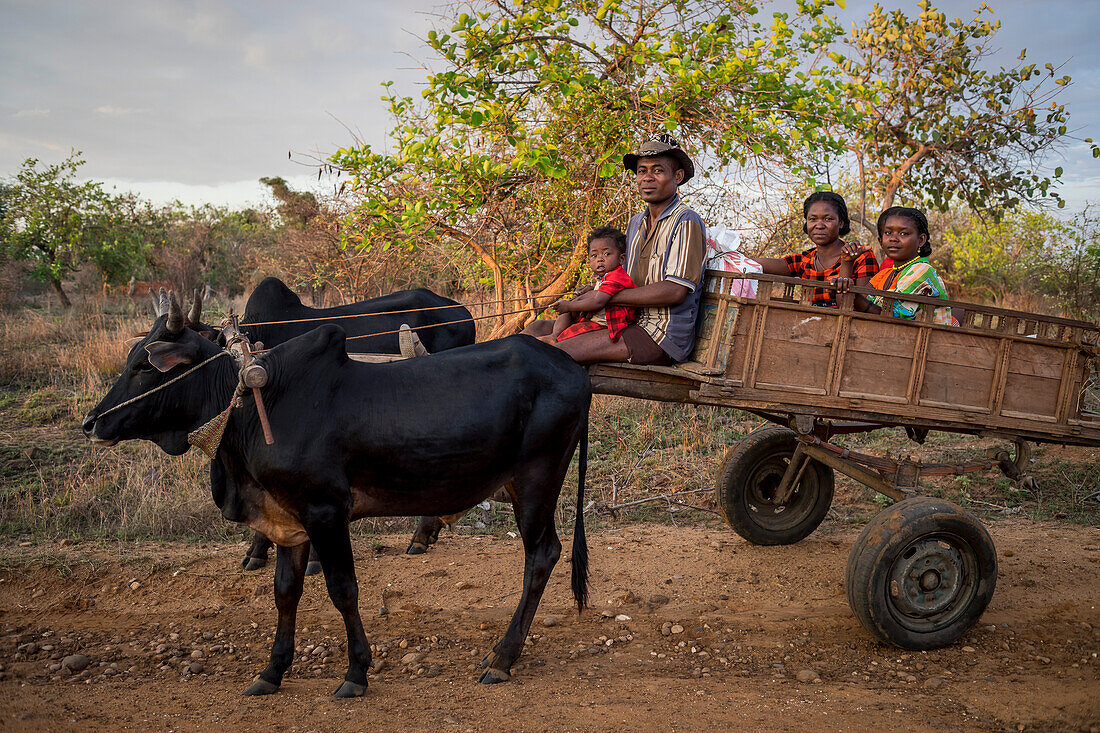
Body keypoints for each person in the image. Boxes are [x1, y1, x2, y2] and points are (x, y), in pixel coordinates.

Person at [527, 133, 706, 365]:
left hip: (660, 335)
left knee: (554, 352)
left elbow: (675, 291)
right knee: (537, 328)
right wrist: (595, 289)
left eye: (658, 171)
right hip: (627, 321)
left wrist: (604, 298)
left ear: (678, 176)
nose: (647, 178)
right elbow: (627, 278)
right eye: (642, 171)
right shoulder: (636, 223)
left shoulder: (686, 221)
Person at [835, 206, 958, 326]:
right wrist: (847, 262)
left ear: (921, 240)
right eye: (888, 233)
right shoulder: (884, 274)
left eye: (904, 233)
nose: (893, 238)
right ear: (880, 241)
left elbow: (891, 318)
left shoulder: (921, 271)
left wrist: (853, 295)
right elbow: (846, 307)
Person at [755, 192, 878, 307]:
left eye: (828, 219)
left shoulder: (860, 256)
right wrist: (737, 258)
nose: (819, 226)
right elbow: (759, 264)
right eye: (813, 219)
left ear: (840, 223)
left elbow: (865, 306)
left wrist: (847, 264)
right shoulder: (805, 260)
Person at [536, 226, 637, 345]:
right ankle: (554, 335)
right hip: (599, 319)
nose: (600, 259)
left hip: (608, 323)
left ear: (621, 259)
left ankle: (555, 338)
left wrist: (569, 306)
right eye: (594, 256)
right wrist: (589, 289)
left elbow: (597, 302)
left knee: (569, 334)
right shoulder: (607, 277)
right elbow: (602, 290)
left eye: (607, 254)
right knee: (572, 307)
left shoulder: (616, 276)